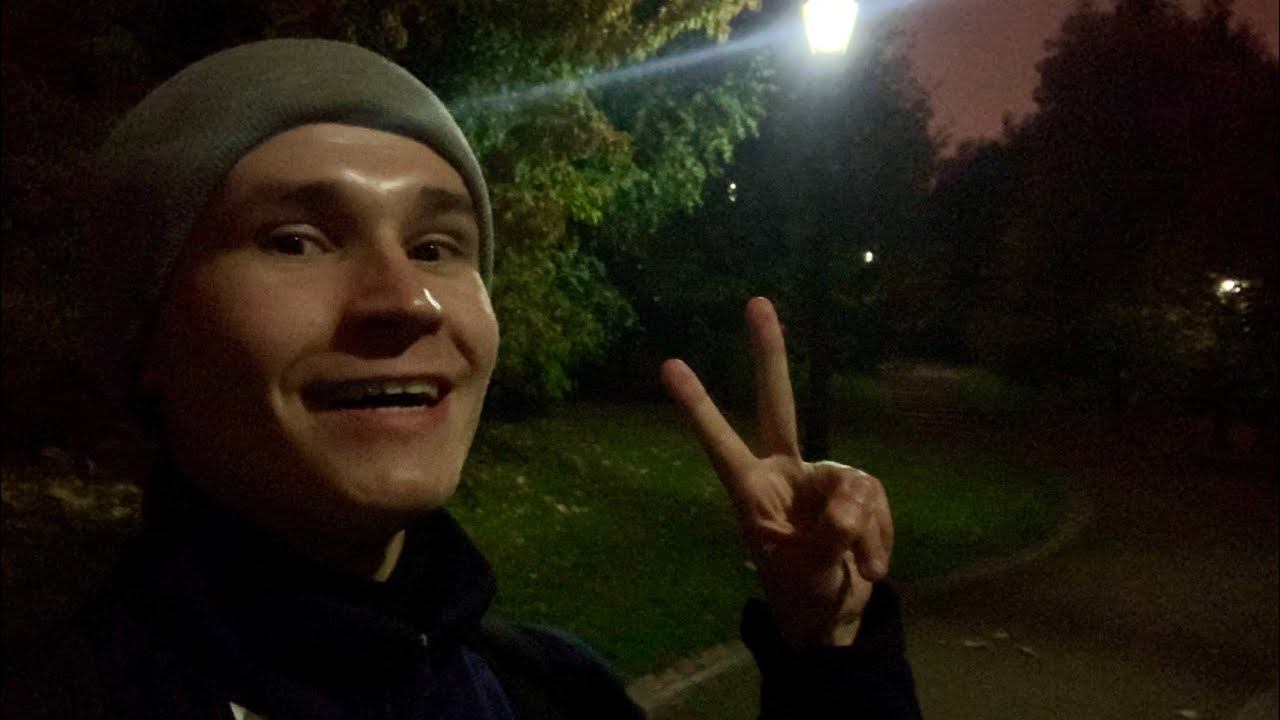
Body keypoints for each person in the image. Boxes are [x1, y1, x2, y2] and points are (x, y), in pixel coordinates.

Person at [4, 39, 920, 719]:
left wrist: (832, 655)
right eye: (295, 240)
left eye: (438, 246)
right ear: (145, 336)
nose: (408, 300)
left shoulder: (557, 696)